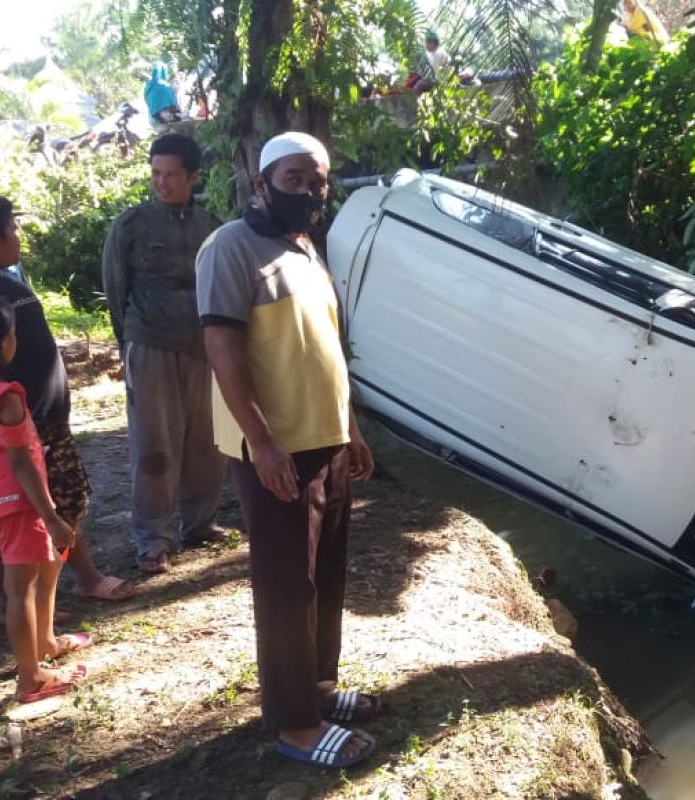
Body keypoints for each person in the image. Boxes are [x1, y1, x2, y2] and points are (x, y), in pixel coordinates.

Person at [196, 132, 378, 769]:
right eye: (294, 179)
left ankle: (319, 689)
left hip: (324, 438)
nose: (309, 191)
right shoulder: (230, 248)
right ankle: (296, 725)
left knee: (324, 574)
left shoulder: (306, 249)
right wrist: (262, 443)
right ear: (262, 183)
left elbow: (325, 348)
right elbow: (223, 350)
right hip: (276, 449)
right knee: (284, 585)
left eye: (319, 180)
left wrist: (349, 426)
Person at [0, 193, 137, 613]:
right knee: (2, 513)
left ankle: (80, 579)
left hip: (46, 422)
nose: (19, 236)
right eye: (13, 228)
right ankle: (10, 599)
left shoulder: (8, 282)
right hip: (7, 429)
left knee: (62, 503)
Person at [0, 292, 92, 702]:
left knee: (44, 565)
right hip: (18, 504)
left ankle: (45, 643)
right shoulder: (4, 396)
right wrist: (50, 515)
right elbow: (20, 462)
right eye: (13, 332)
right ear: (3, 343)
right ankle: (30, 679)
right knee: (22, 589)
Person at [102, 134, 228, 574]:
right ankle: (153, 538)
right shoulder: (132, 225)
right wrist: (131, 343)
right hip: (150, 344)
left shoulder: (213, 227)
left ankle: (200, 522)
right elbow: (116, 289)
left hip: (204, 347)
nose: (162, 182)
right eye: (156, 173)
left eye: (171, 174)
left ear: (193, 176)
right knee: (154, 446)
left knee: (207, 443)